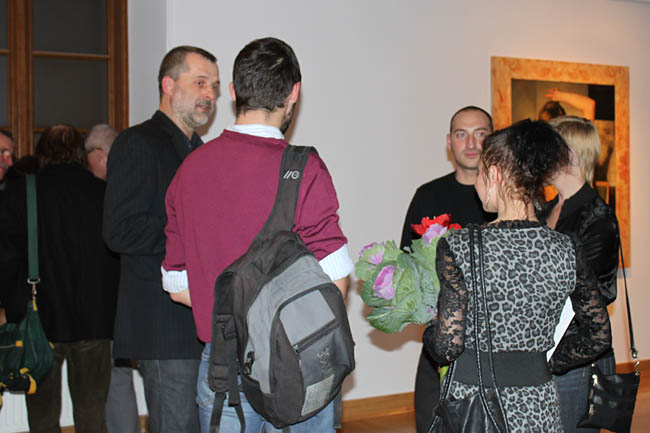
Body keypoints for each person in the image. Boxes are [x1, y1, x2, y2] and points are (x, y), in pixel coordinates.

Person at [161, 37, 353, 433]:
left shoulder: (189, 169)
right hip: (295, 366)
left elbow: (178, 286)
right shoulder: (303, 169)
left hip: (222, 368)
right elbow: (336, 282)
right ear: (294, 93)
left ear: (233, 92)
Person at [423, 119, 612, 432]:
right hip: (538, 402)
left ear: (494, 175)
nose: (477, 184)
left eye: (480, 173)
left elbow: (447, 347)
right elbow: (598, 335)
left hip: (475, 403)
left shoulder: (460, 246)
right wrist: (545, 362)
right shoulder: (565, 248)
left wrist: (430, 329)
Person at [102, 45, 219, 433]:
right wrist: (194, 237)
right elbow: (121, 230)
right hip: (164, 328)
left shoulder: (201, 152)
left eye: (214, 86)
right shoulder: (138, 142)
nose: (210, 95)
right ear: (169, 85)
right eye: (200, 83)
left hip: (201, 321)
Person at [0, 124, 119, 433]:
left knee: (42, 420)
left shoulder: (21, 192)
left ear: (41, 153)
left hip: (39, 323)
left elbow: (7, 260)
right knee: (93, 417)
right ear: (79, 153)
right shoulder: (103, 193)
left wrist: (11, 310)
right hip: (95, 321)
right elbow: (117, 259)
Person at [399, 106, 495, 433]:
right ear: (448, 142)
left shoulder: (507, 200)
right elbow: (408, 263)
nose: (471, 143)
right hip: (441, 338)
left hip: (495, 344)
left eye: (480, 134)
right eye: (461, 134)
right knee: (430, 422)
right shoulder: (428, 195)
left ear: (492, 140)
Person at [541, 115, 620, 433]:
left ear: (570, 154)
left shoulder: (597, 217)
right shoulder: (547, 209)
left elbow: (588, 295)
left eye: (546, 148)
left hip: (575, 360)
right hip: (547, 353)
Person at [85, 124, 141, 433]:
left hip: (110, 306)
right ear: (97, 156)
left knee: (116, 380)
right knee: (117, 380)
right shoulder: (116, 194)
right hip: (114, 304)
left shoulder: (110, 195)